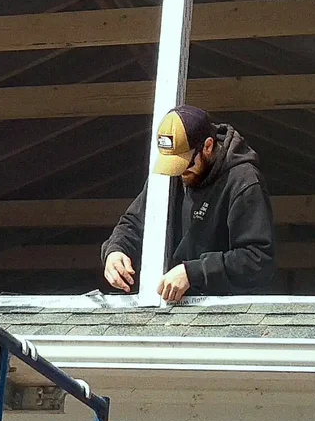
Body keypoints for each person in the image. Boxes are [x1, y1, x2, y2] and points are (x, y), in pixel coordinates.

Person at [100, 104, 278, 302]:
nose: (179, 173)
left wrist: (192, 273)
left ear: (208, 146)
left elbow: (258, 260)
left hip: (223, 309)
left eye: (186, 164)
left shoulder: (243, 181)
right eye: (173, 165)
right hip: (169, 306)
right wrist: (115, 251)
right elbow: (134, 223)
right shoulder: (171, 174)